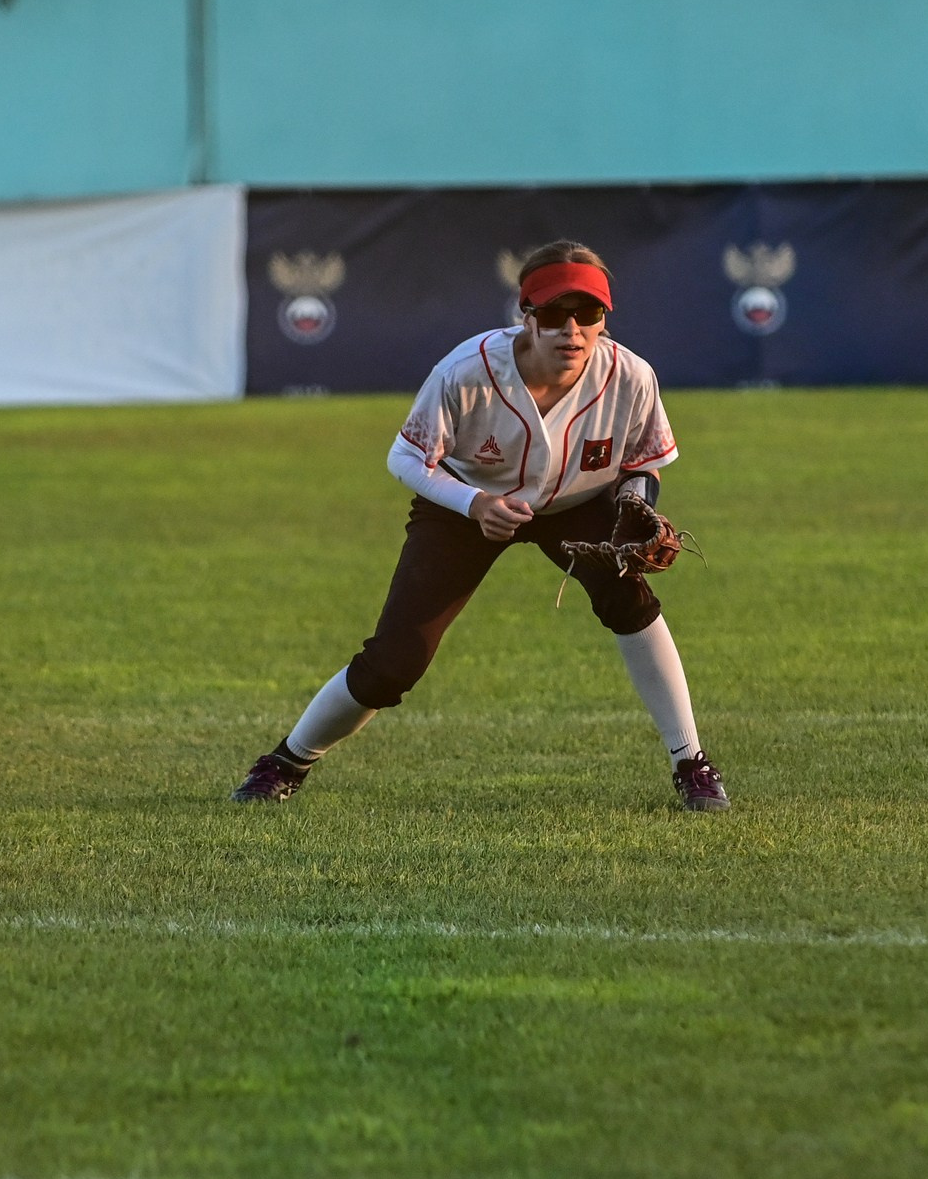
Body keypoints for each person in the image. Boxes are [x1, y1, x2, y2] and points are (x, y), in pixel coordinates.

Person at [231, 241, 728, 812]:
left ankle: (691, 762)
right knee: (395, 662)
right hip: (465, 503)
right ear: (527, 315)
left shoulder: (630, 377)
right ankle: (284, 762)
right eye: (553, 313)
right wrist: (472, 504)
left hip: (578, 502)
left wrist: (635, 505)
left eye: (588, 314)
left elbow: (643, 462)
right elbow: (406, 458)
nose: (572, 329)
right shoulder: (466, 372)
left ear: (604, 320)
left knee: (630, 601)